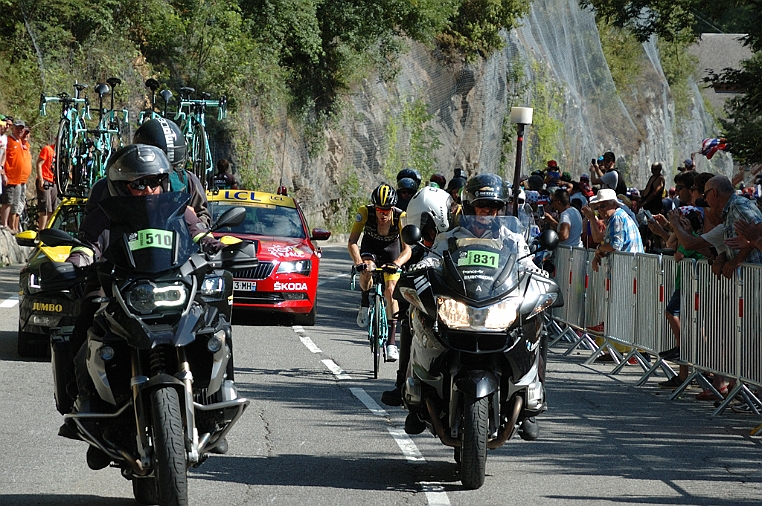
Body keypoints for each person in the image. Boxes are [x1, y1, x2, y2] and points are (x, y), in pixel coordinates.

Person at [60, 144, 226, 459]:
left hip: (170, 283)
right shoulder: (107, 205)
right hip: (118, 284)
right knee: (85, 323)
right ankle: (84, 411)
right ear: (122, 185)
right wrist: (80, 257)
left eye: (154, 181)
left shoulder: (176, 204)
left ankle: (214, 409)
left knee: (214, 324)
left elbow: (197, 229)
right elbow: (89, 239)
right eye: (139, 183)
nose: (149, 189)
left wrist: (211, 244)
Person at [419, 174, 542, 440]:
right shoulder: (449, 238)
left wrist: (539, 276)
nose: (489, 211)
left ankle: (533, 398)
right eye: (482, 205)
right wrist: (420, 268)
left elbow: (527, 264)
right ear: (469, 205)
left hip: (497, 306)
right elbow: (432, 260)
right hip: (461, 304)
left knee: (537, 313)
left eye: (495, 206)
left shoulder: (512, 238)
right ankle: (409, 387)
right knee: (414, 309)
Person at [381, 186, 453, 407]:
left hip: (469, 294)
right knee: (410, 318)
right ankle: (403, 383)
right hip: (445, 296)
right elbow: (425, 259)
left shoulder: (460, 232)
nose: (423, 231)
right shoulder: (431, 241)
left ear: (435, 219)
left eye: (424, 226)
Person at [83, 118, 212, 226]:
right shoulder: (110, 186)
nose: (149, 189)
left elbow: (203, 217)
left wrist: (194, 222)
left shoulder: (187, 181)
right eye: (140, 183)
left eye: (173, 167)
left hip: (175, 253)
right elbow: (91, 230)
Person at [347, 183, 411, 361]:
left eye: (386, 210)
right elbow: (352, 241)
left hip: (391, 251)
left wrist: (397, 263)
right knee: (367, 269)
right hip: (370, 248)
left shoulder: (401, 217)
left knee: (391, 290)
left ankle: (391, 343)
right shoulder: (365, 212)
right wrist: (359, 262)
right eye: (379, 210)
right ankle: (365, 303)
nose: (383, 214)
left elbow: (408, 249)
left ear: (393, 208)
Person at [586, 188, 644, 273]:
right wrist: (599, 254)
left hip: (628, 269)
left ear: (613, 204)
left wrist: (599, 248)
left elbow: (615, 246)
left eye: (603, 206)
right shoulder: (616, 217)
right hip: (628, 267)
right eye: (597, 207)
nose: (599, 210)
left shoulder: (617, 217)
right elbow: (607, 242)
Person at [1, 120, 32, 233]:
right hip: (9, 177)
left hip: (18, 180)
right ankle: (4, 224)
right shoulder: (8, 140)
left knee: (15, 204)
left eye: (21, 128)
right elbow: (3, 156)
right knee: (7, 202)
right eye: (18, 128)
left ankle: (12, 227)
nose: (20, 130)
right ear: (13, 128)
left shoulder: (20, 141)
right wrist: (3, 173)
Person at [36, 142, 58, 229]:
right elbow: (39, 164)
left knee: (53, 209)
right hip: (45, 180)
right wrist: (41, 180)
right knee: (45, 209)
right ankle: (41, 233)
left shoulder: (60, 154)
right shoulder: (47, 149)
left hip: (54, 182)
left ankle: (46, 230)